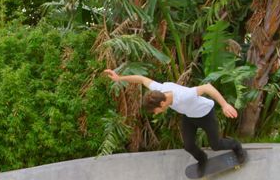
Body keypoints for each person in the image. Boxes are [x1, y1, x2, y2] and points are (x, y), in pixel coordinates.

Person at [103, 69, 247, 171]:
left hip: (205, 114)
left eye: (156, 111)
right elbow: (141, 79)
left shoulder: (184, 95)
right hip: (189, 116)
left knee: (216, 145)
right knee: (189, 146)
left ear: (162, 104)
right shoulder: (158, 90)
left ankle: (236, 146)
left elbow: (207, 87)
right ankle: (203, 159)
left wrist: (224, 105)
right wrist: (119, 78)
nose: (155, 113)